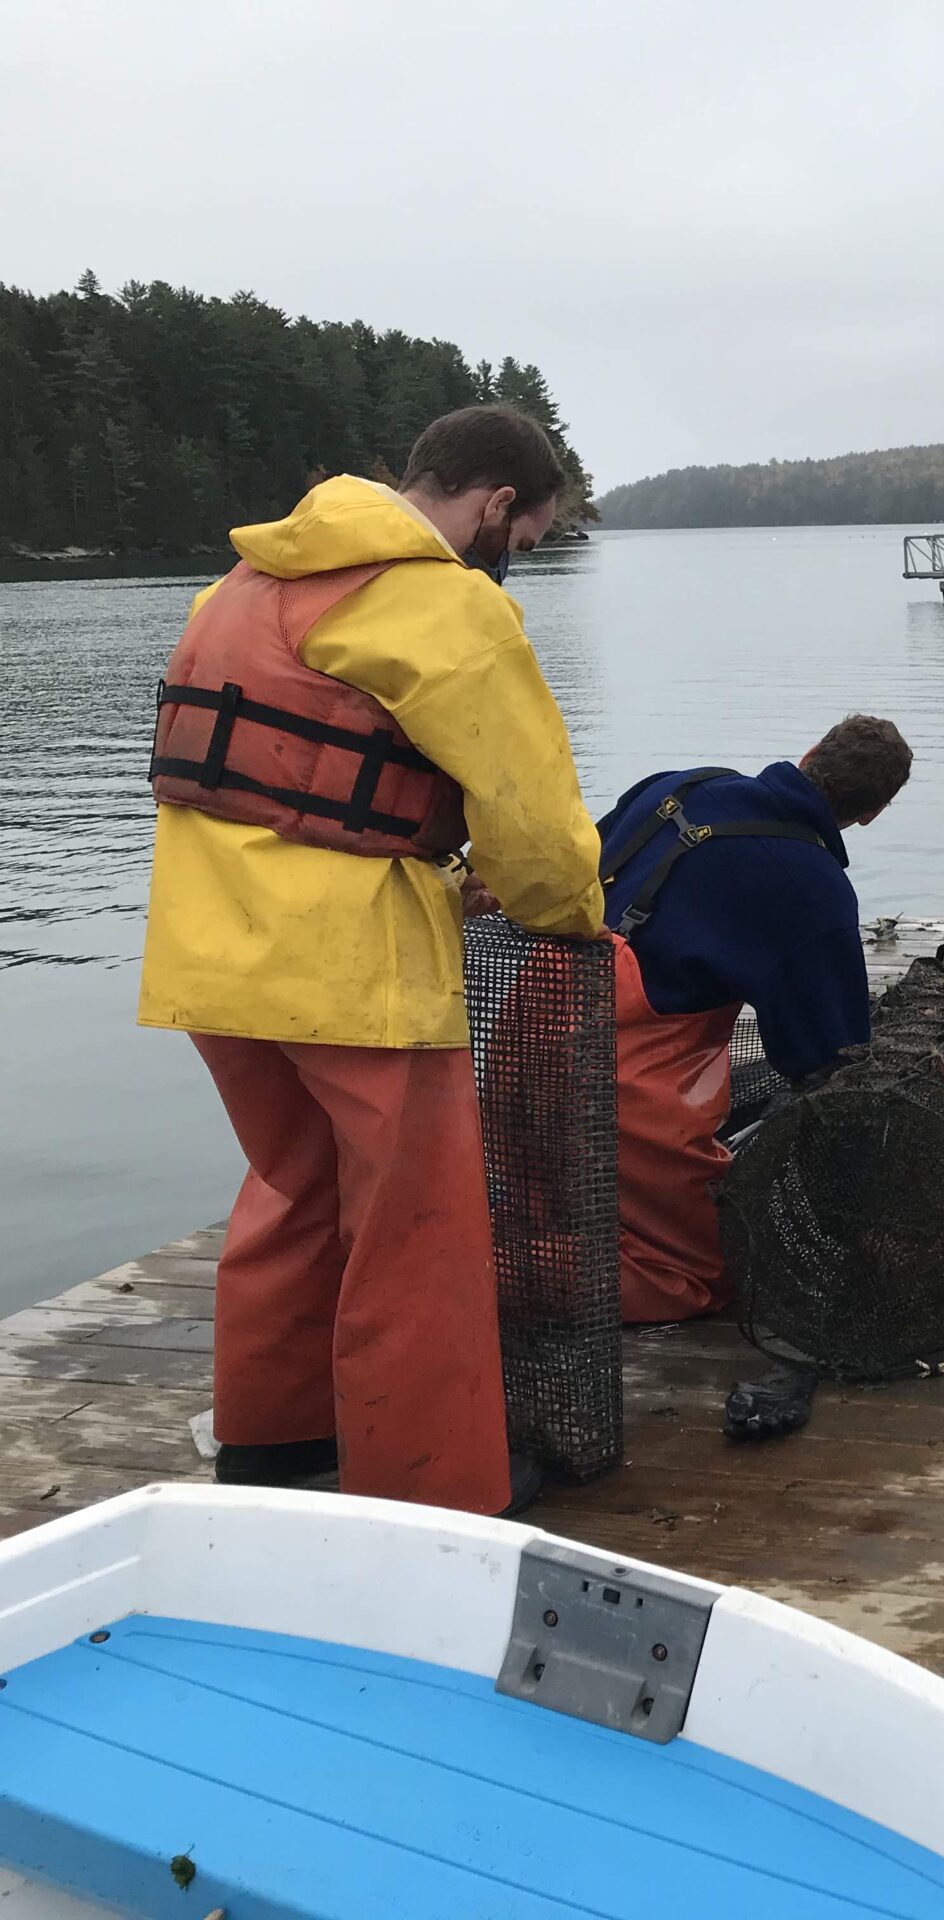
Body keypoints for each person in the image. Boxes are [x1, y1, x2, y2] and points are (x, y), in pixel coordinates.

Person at [138, 403, 605, 1517]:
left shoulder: (236, 589)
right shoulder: (445, 604)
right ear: (496, 507)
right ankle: (435, 1492)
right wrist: (569, 914)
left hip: (209, 960)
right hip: (356, 978)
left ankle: (273, 1443)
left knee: (291, 1192)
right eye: (527, 539)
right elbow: (534, 827)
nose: (517, 560)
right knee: (419, 1235)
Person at [598, 717, 911, 1323]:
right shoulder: (814, 890)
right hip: (626, 1087)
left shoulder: (678, 786)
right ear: (872, 815)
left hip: (526, 1025)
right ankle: (497, 1290)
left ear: (811, 751)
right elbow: (827, 1061)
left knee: (551, 1201)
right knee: (706, 1275)